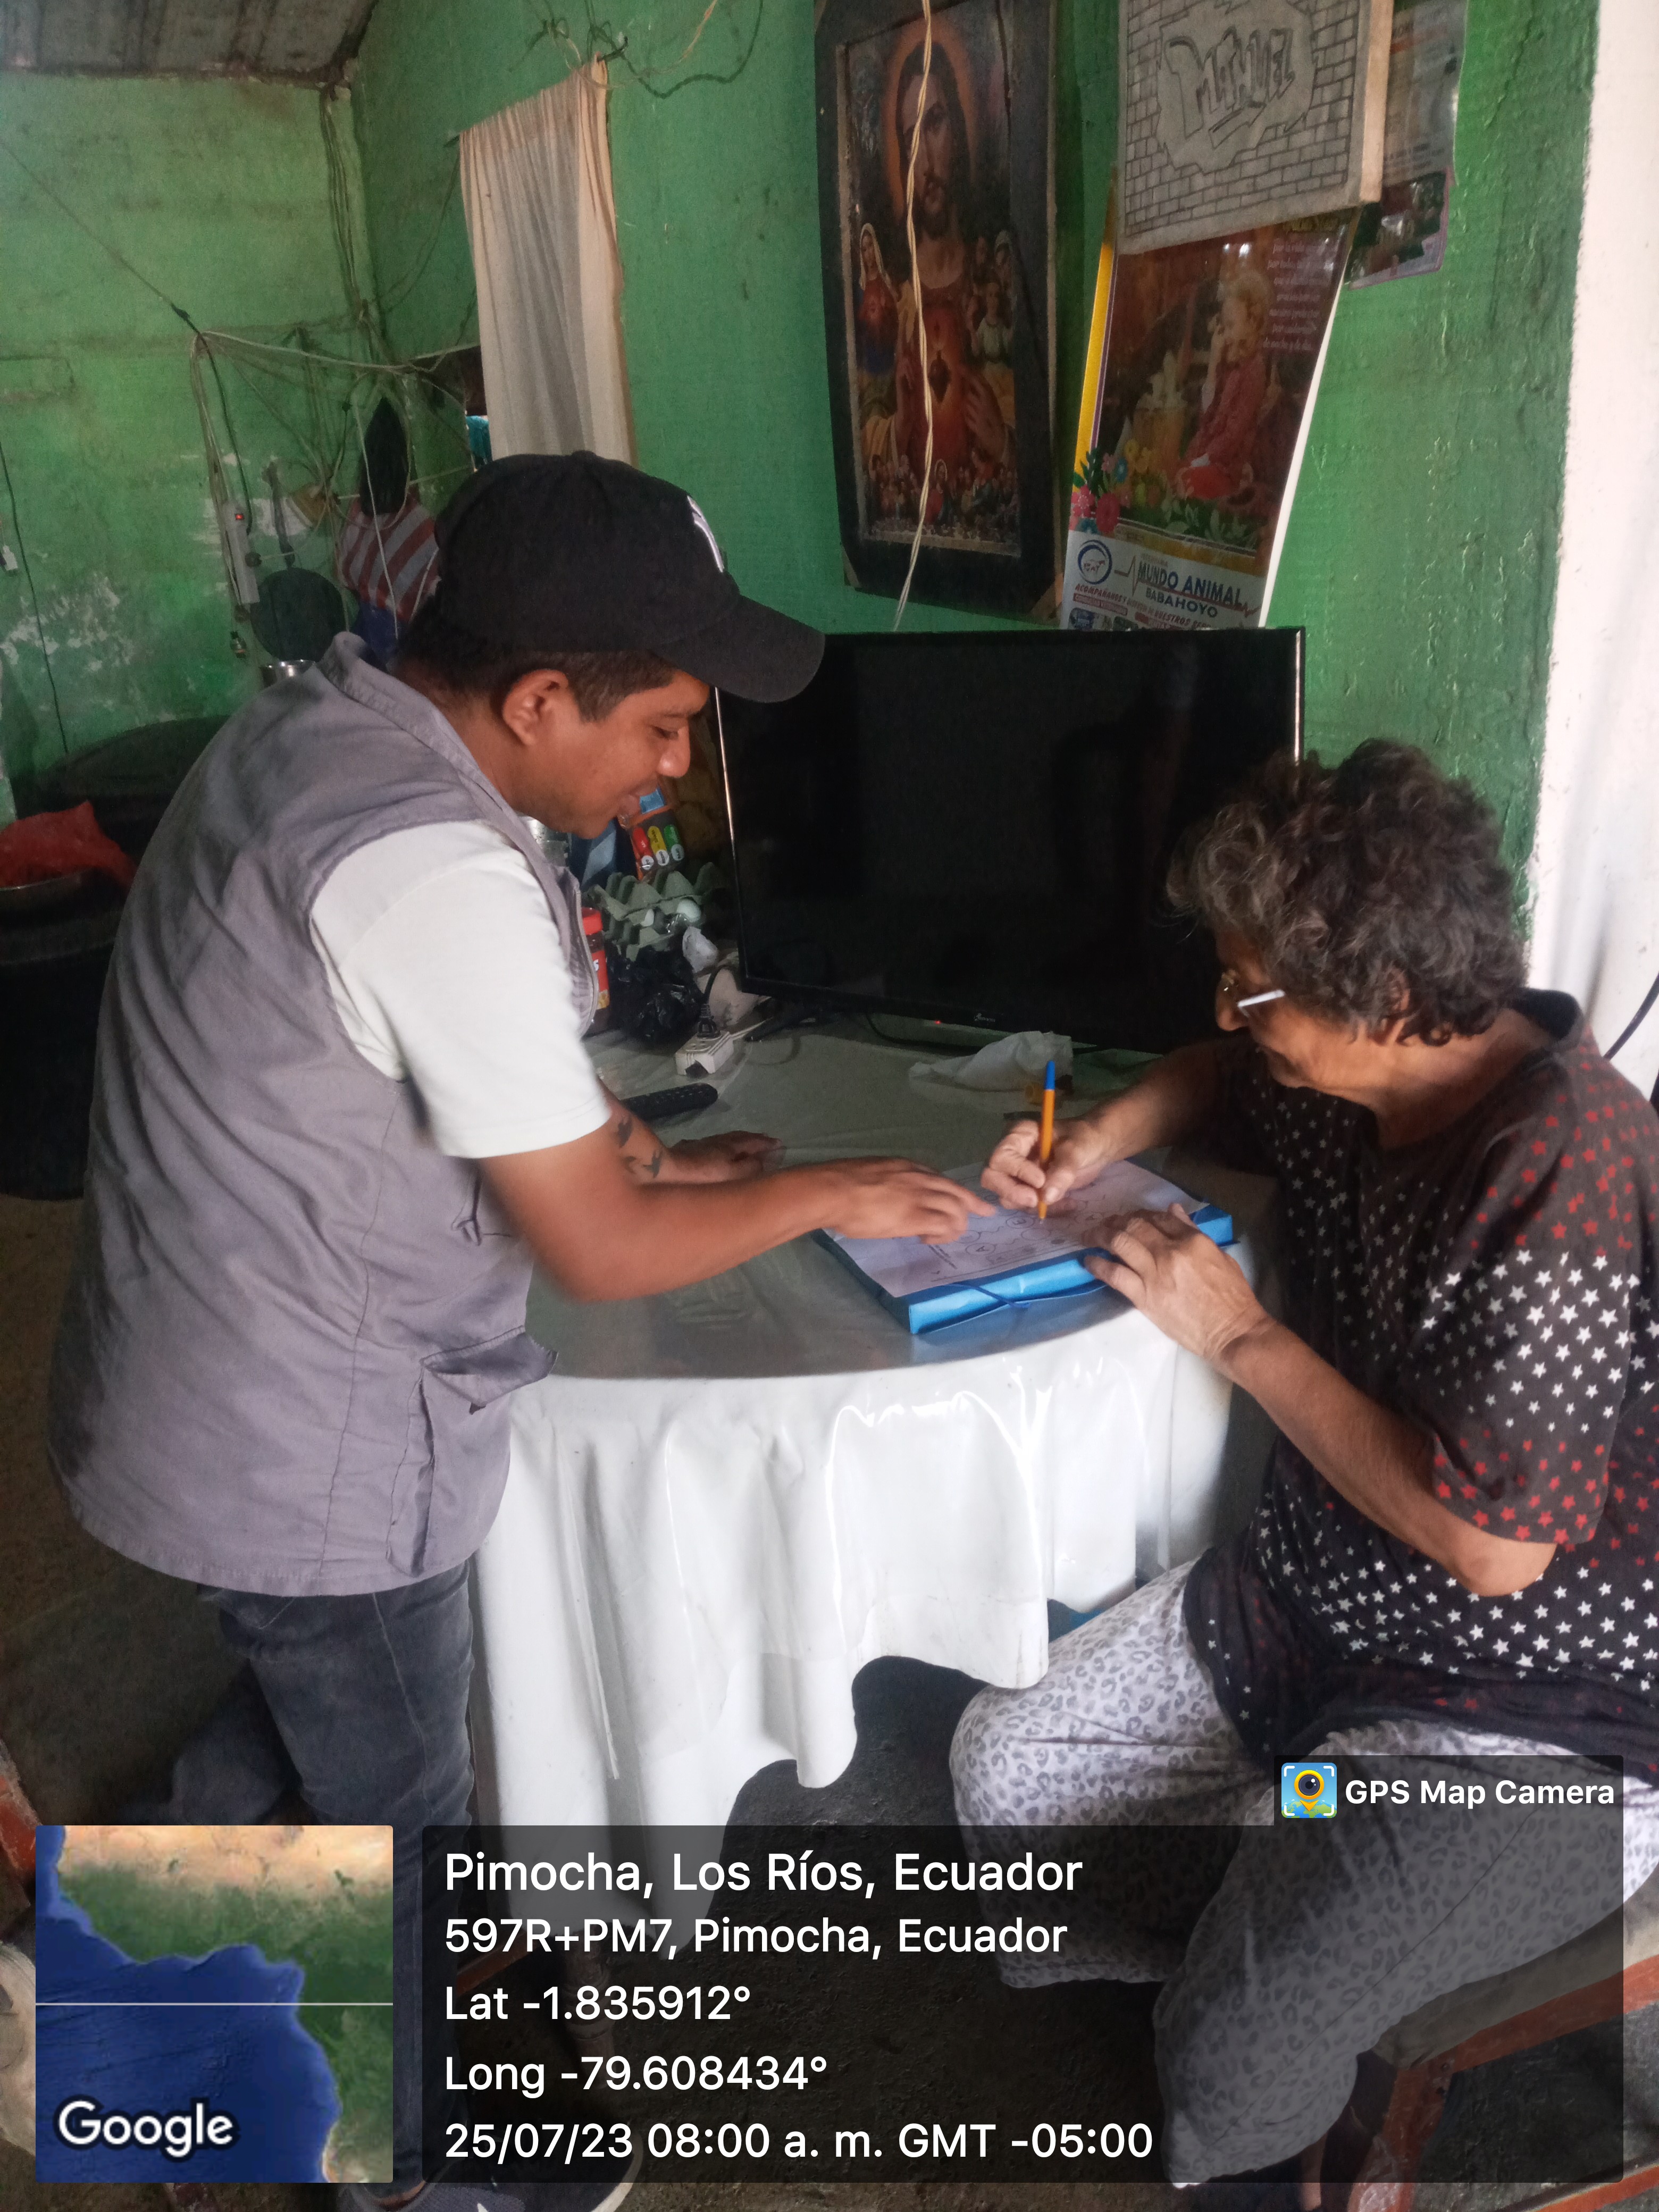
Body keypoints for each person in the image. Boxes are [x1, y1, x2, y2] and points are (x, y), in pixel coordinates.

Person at [48, 451, 990, 2212]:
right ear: (543, 697)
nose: (679, 766)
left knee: (309, 1700)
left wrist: (641, 1147)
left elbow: (447, 1070)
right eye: (665, 725)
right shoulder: (430, 872)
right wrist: (827, 1193)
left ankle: (128, 1998)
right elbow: (602, 1255)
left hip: (193, 1376)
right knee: (406, 1809)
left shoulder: (316, 728)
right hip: (312, 1438)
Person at [958, 742, 1659, 2195]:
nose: (1231, 1012)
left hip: (1538, 1716)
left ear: (1387, 1000)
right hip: (1315, 1607)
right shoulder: (1367, 1074)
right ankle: (1271, 1918)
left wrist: (1236, 1334)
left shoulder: (1562, 1161)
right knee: (1010, 1771)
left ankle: (1260, 2024)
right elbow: (1217, 1073)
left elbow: (1493, 1550)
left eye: (1253, 987)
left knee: (1239, 2046)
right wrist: (1098, 1139)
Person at [862, 45, 1010, 496]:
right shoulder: (894, 300)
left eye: (936, 123)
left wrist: (1005, 443)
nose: (925, 160)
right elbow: (866, 422)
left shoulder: (994, 283)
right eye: (910, 140)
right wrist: (901, 425)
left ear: (958, 131)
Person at [333, 396, 440, 664]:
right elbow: (436, 593)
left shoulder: (358, 514)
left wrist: (375, 597)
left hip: (364, 636)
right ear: (404, 461)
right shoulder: (418, 521)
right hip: (406, 643)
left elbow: (347, 576)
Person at [1175, 264, 1271, 502]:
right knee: (1172, 476)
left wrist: (1201, 461)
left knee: (1187, 483)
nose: (1225, 334)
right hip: (1208, 454)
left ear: (1252, 323)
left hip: (1228, 467)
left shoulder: (1255, 369)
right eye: (1224, 325)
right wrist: (1213, 364)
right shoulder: (1228, 358)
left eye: (1231, 326)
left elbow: (1233, 437)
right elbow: (1206, 419)